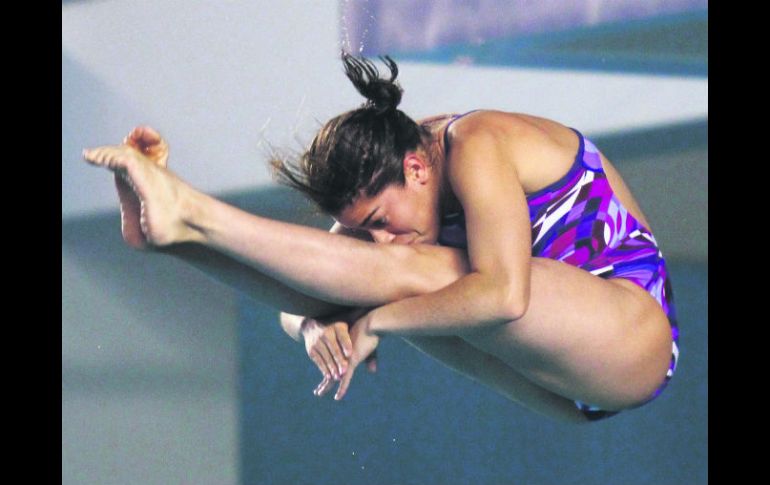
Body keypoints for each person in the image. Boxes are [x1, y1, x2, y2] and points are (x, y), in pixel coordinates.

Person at [82, 53, 678, 423]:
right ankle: (177, 240)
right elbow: (317, 285)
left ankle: (193, 209)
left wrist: (375, 324)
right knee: (375, 281)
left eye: (380, 219)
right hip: (552, 386)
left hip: (631, 334)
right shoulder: (396, 206)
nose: (385, 240)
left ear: (417, 168)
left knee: (420, 280)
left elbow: (503, 297)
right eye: (370, 228)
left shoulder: (479, 142)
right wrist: (319, 328)